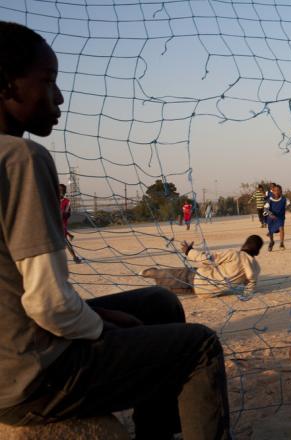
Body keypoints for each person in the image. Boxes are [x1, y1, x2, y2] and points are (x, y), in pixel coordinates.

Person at [0, 21, 230, 439]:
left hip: (9, 351)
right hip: (30, 381)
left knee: (160, 304)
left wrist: (98, 314)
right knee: (199, 346)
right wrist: (100, 326)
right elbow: (49, 305)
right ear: (6, 85)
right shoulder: (21, 159)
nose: (59, 96)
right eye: (48, 81)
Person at [141, 235, 263, 297]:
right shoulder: (256, 267)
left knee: (171, 274)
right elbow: (251, 285)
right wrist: (246, 293)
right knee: (171, 290)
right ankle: (156, 289)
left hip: (197, 277)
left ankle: (147, 273)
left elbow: (208, 259)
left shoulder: (234, 254)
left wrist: (189, 251)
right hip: (205, 293)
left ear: (245, 244)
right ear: (257, 251)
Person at [59, 184, 81, 263]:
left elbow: (67, 213)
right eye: (60, 190)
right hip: (53, 223)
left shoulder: (67, 202)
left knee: (65, 241)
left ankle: (75, 257)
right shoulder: (52, 200)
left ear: (65, 192)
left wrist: (62, 214)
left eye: (63, 191)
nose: (61, 192)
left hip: (62, 224)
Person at [264, 184, 287, 251]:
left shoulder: (284, 199)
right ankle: (271, 242)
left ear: (281, 192)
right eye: (275, 191)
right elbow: (265, 209)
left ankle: (281, 243)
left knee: (281, 228)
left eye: (278, 190)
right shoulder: (270, 200)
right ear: (273, 192)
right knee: (270, 231)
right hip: (271, 218)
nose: (277, 192)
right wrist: (270, 214)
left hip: (280, 217)